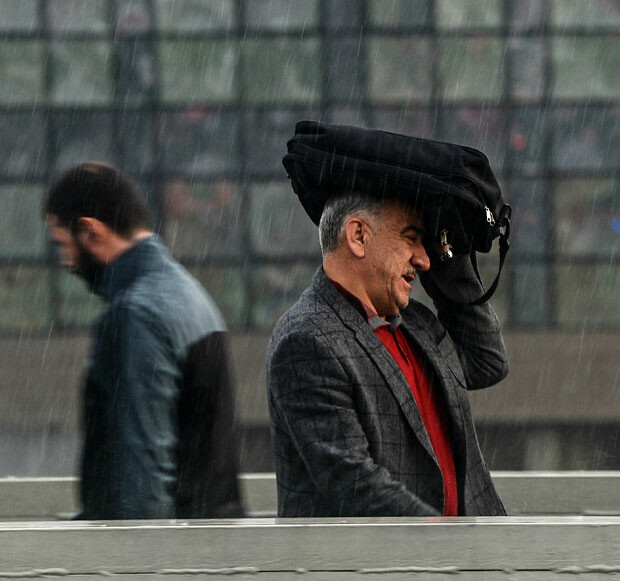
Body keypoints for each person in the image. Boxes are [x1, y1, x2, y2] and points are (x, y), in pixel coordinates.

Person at [266, 182, 508, 517]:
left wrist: (448, 258)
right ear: (359, 237)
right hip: (395, 566)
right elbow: (351, 482)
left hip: (460, 563)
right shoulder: (306, 340)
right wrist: (448, 547)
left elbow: (488, 362)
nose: (423, 260)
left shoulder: (416, 323)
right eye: (411, 238)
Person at [43, 162, 245, 520]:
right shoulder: (187, 294)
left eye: (63, 245)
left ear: (90, 231)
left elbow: (140, 478)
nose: (65, 262)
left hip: (167, 560)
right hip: (211, 549)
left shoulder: (135, 315)